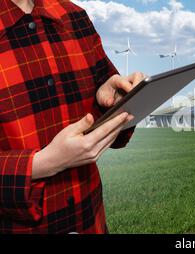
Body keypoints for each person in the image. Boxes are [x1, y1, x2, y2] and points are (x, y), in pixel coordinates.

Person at [0, 0, 145, 233]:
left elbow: (103, 123)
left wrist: (109, 102)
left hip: (90, 220)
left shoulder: (74, 17)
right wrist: (44, 163)